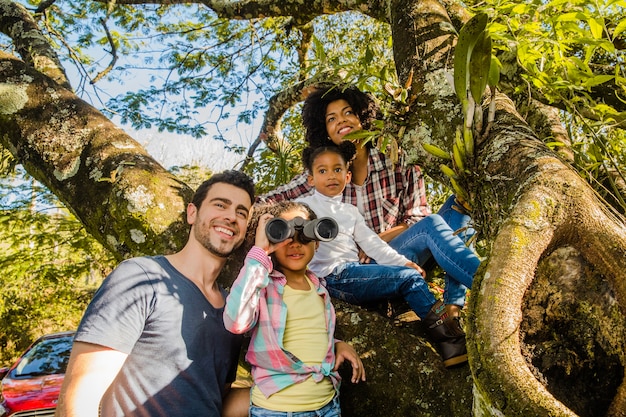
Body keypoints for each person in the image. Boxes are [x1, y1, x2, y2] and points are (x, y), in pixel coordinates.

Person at [258, 83, 478, 325]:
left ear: (363, 117)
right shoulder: (326, 173)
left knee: (457, 204)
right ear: (325, 130)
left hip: (398, 253)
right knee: (433, 225)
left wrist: (374, 240)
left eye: (348, 112)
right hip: (358, 270)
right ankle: (481, 281)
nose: (341, 121)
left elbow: (418, 218)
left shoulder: (397, 159)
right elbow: (267, 200)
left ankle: (455, 305)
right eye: (331, 118)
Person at [56, 170, 256, 417]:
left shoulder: (234, 310)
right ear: (192, 213)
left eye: (241, 212)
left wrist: (291, 390)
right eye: (220, 205)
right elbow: (81, 399)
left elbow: (216, 399)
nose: (231, 217)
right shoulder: (141, 277)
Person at [294, 142, 474, 367]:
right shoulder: (303, 206)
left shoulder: (350, 212)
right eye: (322, 171)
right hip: (332, 277)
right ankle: (451, 341)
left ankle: (449, 332)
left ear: (347, 177)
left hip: (354, 273)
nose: (331, 175)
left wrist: (405, 262)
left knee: (408, 273)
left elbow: (374, 245)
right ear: (310, 179)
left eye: (337, 169)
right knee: (409, 279)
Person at [223, 200, 366, 416]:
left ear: (317, 241)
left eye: (305, 235)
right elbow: (235, 322)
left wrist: (337, 345)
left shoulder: (320, 290)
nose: (295, 244)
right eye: (285, 234)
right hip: (278, 410)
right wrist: (259, 253)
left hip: (328, 405)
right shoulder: (264, 285)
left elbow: (307, 336)